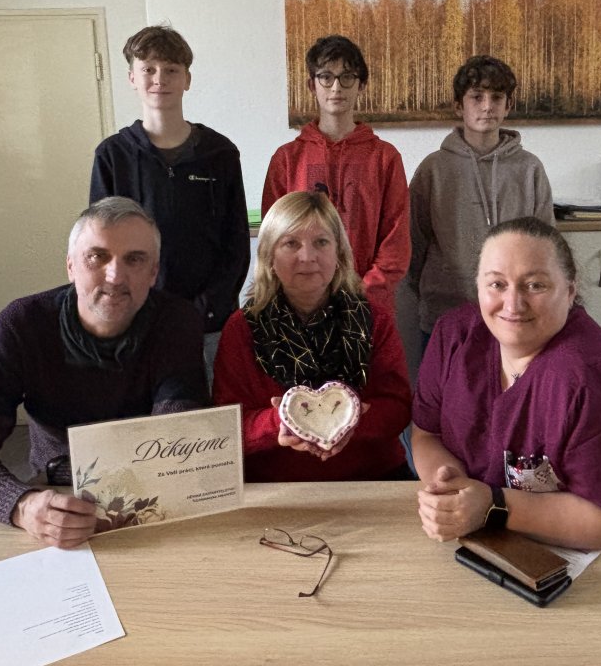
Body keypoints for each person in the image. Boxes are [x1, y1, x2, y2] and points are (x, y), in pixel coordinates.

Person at [411, 217, 601, 609]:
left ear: (570, 291)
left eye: (535, 285)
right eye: (497, 284)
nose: (513, 304)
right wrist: (450, 488)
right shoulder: (455, 336)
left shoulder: (588, 378)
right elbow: (426, 433)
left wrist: (490, 504)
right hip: (516, 539)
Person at [0, 197, 210, 548]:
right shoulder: (22, 325)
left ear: (153, 273)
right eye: (97, 256)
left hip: (153, 496)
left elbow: (175, 442)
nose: (115, 276)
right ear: (70, 266)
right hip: (57, 496)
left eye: (134, 259)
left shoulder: (177, 322)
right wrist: (21, 506)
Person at [213, 191, 412, 482]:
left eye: (321, 242)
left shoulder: (374, 321)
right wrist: (282, 421)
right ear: (269, 256)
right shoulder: (241, 329)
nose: (307, 257)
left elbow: (399, 408)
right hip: (277, 485)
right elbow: (226, 427)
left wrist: (349, 421)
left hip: (373, 477)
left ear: (339, 254)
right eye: (291, 243)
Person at [90, 24, 250, 383]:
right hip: (137, 322)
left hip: (210, 326)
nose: (159, 79)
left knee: (214, 413)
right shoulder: (112, 156)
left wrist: (205, 310)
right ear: (132, 77)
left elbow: (236, 243)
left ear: (187, 79)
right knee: (148, 414)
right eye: (148, 69)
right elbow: (100, 247)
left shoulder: (220, 154)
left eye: (171, 70)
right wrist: (134, 306)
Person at [406, 55, 554, 354]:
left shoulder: (529, 169)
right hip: (445, 315)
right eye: (476, 97)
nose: (487, 106)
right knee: (444, 386)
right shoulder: (433, 169)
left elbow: (546, 245)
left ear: (508, 106)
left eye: (497, 97)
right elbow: (413, 244)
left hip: (514, 314)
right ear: (459, 106)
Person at [262, 34, 409, 310]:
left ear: (361, 85)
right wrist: (302, 292)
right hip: (302, 305)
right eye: (326, 77)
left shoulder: (385, 158)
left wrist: (362, 293)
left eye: (347, 77)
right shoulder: (287, 159)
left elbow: (396, 241)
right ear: (312, 85)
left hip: (367, 305)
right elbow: (273, 239)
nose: (336, 87)